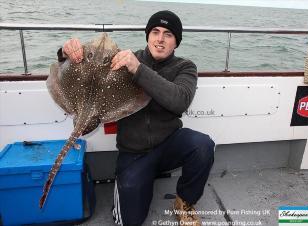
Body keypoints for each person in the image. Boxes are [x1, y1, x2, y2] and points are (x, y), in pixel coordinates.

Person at [60, 10, 215, 226]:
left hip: (169, 144)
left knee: (203, 145)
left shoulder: (185, 67)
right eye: (155, 32)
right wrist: (67, 53)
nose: (160, 39)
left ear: (176, 42)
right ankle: (138, 182)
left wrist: (138, 69)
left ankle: (185, 201)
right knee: (129, 221)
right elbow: (89, 71)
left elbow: (180, 101)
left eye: (168, 34)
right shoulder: (124, 59)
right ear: (147, 36)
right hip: (134, 153)